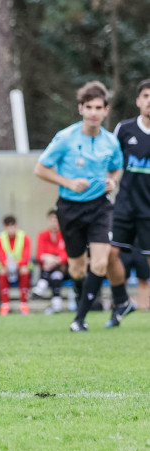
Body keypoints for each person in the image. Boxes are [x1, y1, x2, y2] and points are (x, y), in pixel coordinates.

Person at [34, 81, 123, 332]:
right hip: (69, 208)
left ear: (106, 111)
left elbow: (117, 167)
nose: (94, 112)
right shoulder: (65, 138)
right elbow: (40, 168)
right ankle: (83, 300)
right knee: (76, 268)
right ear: (80, 109)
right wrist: (68, 183)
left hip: (100, 207)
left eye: (99, 107)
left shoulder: (111, 142)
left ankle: (79, 319)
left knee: (99, 263)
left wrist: (112, 181)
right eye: (89, 107)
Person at [107, 78, 150, 326]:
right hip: (124, 207)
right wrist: (109, 180)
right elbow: (110, 162)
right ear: (138, 101)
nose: (149, 101)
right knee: (109, 254)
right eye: (145, 96)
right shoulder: (124, 129)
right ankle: (122, 302)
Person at [32, 208, 69, 314]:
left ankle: (41, 285)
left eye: (56, 220)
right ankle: (56, 304)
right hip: (49, 267)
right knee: (56, 274)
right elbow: (39, 254)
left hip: (63, 268)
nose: (54, 222)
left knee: (57, 268)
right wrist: (50, 258)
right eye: (52, 220)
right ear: (48, 220)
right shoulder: (42, 235)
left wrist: (55, 259)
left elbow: (66, 254)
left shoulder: (64, 235)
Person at [0, 215, 31, 316]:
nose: (11, 229)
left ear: (16, 226)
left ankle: (24, 304)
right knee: (1, 270)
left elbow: (26, 256)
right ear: (4, 228)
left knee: (25, 270)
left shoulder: (24, 237)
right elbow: (1, 257)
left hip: (20, 267)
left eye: (13, 226)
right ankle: (5, 304)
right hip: (6, 267)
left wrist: (16, 264)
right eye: (8, 226)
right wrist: (9, 265)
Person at [118, 245, 150, 311]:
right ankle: (122, 305)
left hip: (141, 247)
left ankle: (143, 306)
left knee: (143, 279)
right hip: (125, 247)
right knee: (121, 279)